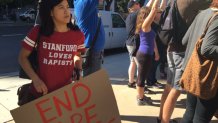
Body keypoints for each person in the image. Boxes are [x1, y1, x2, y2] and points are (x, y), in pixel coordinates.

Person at [157, 0, 211, 123]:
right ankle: (165, 121)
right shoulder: (194, 2)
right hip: (181, 51)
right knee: (176, 90)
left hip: (171, 48)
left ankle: (161, 118)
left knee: (169, 87)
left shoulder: (174, 1)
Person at [18, 0, 85, 97]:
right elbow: (22, 57)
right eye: (61, 7)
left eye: (67, 7)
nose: (67, 11)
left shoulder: (78, 35)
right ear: (50, 12)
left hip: (65, 95)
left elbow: (77, 55)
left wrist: (78, 70)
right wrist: (36, 80)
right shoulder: (38, 32)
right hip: (40, 94)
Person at [180, 0, 218, 122]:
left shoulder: (202, 13)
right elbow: (206, 49)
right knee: (201, 118)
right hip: (207, 77)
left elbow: (184, 40)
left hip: (192, 71)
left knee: (189, 113)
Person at [135, 0, 160, 105]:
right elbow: (154, 9)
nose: (152, 15)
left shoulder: (147, 26)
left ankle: (141, 95)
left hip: (146, 54)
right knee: (141, 78)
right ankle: (140, 99)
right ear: (146, 15)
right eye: (149, 13)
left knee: (143, 76)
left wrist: (156, 52)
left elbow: (152, 40)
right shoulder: (145, 25)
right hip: (144, 55)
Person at [73, 0, 105, 77]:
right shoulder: (84, 3)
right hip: (91, 53)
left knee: (92, 83)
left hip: (93, 52)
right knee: (92, 84)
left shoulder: (84, 3)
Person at [125, 0, 141, 88]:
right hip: (134, 43)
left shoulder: (129, 16)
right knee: (140, 65)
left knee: (133, 62)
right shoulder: (134, 14)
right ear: (133, 7)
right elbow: (147, 8)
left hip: (129, 43)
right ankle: (140, 86)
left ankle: (131, 82)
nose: (139, 5)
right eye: (137, 4)